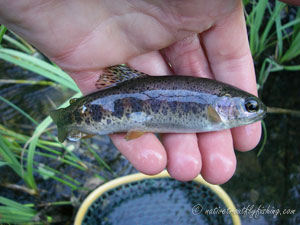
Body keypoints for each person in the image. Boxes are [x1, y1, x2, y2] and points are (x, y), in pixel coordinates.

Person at [0, 0, 298, 184]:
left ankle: (70, 121)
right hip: (124, 99)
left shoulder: (215, 107)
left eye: (249, 107)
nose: (253, 111)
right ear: (226, 104)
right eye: (248, 107)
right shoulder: (214, 109)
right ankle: (69, 121)